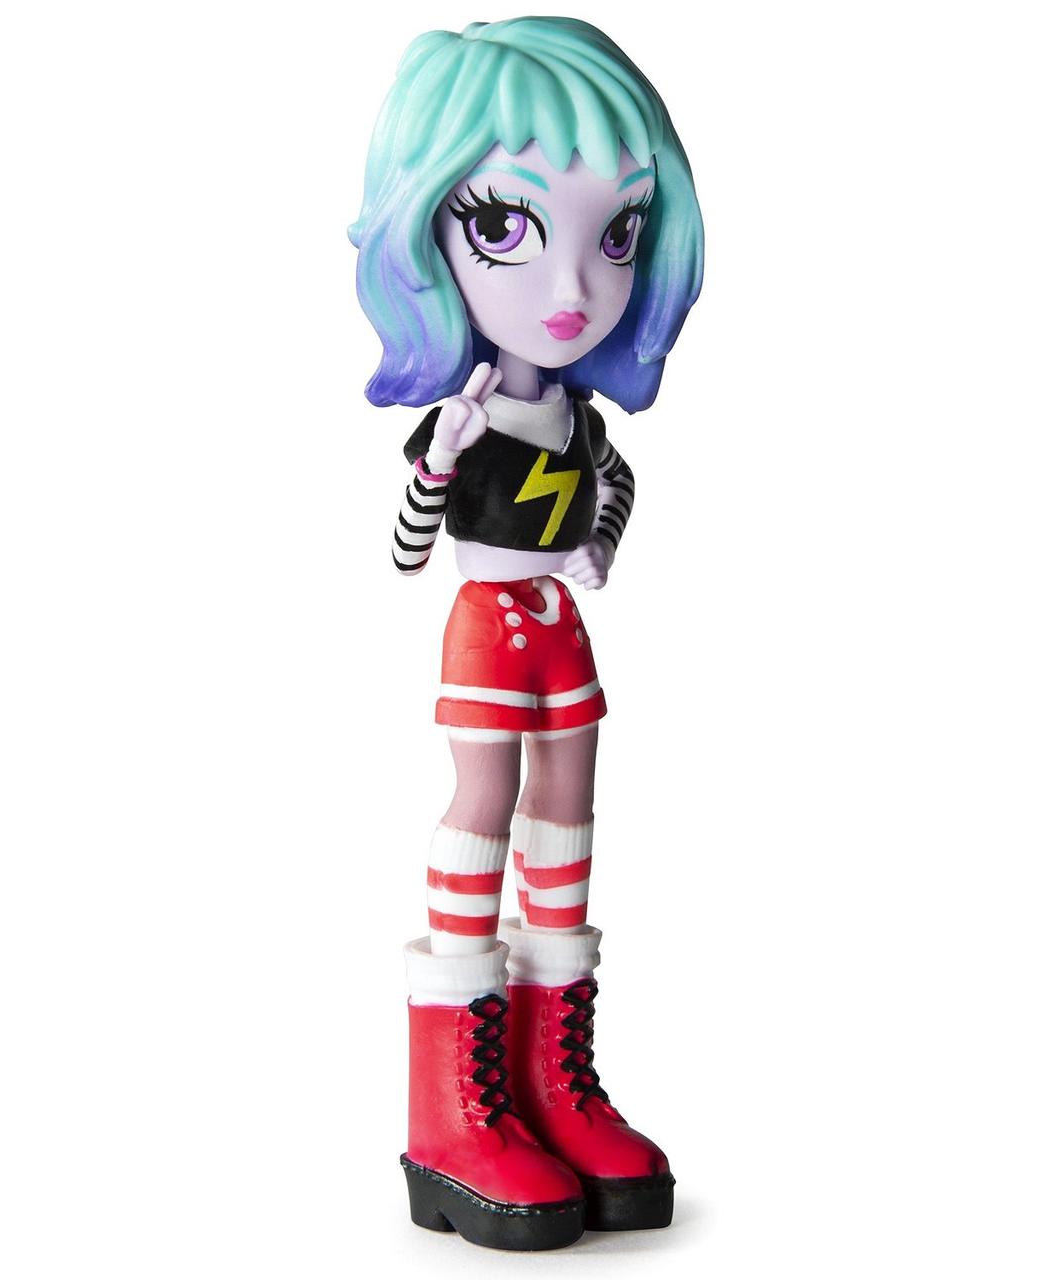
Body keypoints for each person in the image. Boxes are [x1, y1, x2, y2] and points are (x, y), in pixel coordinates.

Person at [349, 17, 704, 1250]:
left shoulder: (576, 415)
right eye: (505, 225)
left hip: (558, 621)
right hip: (488, 626)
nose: (572, 291)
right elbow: (406, 547)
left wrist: (602, 539)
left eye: (616, 234)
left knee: (568, 801)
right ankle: (451, 1106)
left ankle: (548, 1078)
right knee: (483, 801)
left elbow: (615, 484)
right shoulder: (468, 414)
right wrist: (436, 459)